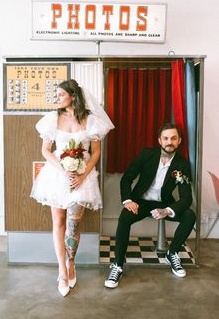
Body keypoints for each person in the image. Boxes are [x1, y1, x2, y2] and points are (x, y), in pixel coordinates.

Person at [31, 79, 114, 297]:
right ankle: (62, 270)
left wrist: (82, 175)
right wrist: (63, 169)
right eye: (56, 95)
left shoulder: (91, 120)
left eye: (60, 94)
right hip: (58, 176)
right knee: (58, 222)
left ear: (73, 96)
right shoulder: (52, 119)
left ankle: (71, 261)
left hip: (82, 177)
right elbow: (46, 151)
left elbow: (95, 152)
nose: (56, 98)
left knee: (74, 226)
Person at [104, 123, 196, 288]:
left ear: (179, 141)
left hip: (164, 203)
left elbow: (186, 198)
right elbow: (127, 178)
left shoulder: (182, 164)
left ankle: (172, 252)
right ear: (159, 140)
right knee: (124, 218)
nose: (170, 142)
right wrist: (128, 200)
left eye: (173, 138)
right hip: (141, 202)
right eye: (166, 138)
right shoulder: (147, 154)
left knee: (190, 215)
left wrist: (168, 210)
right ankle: (117, 265)